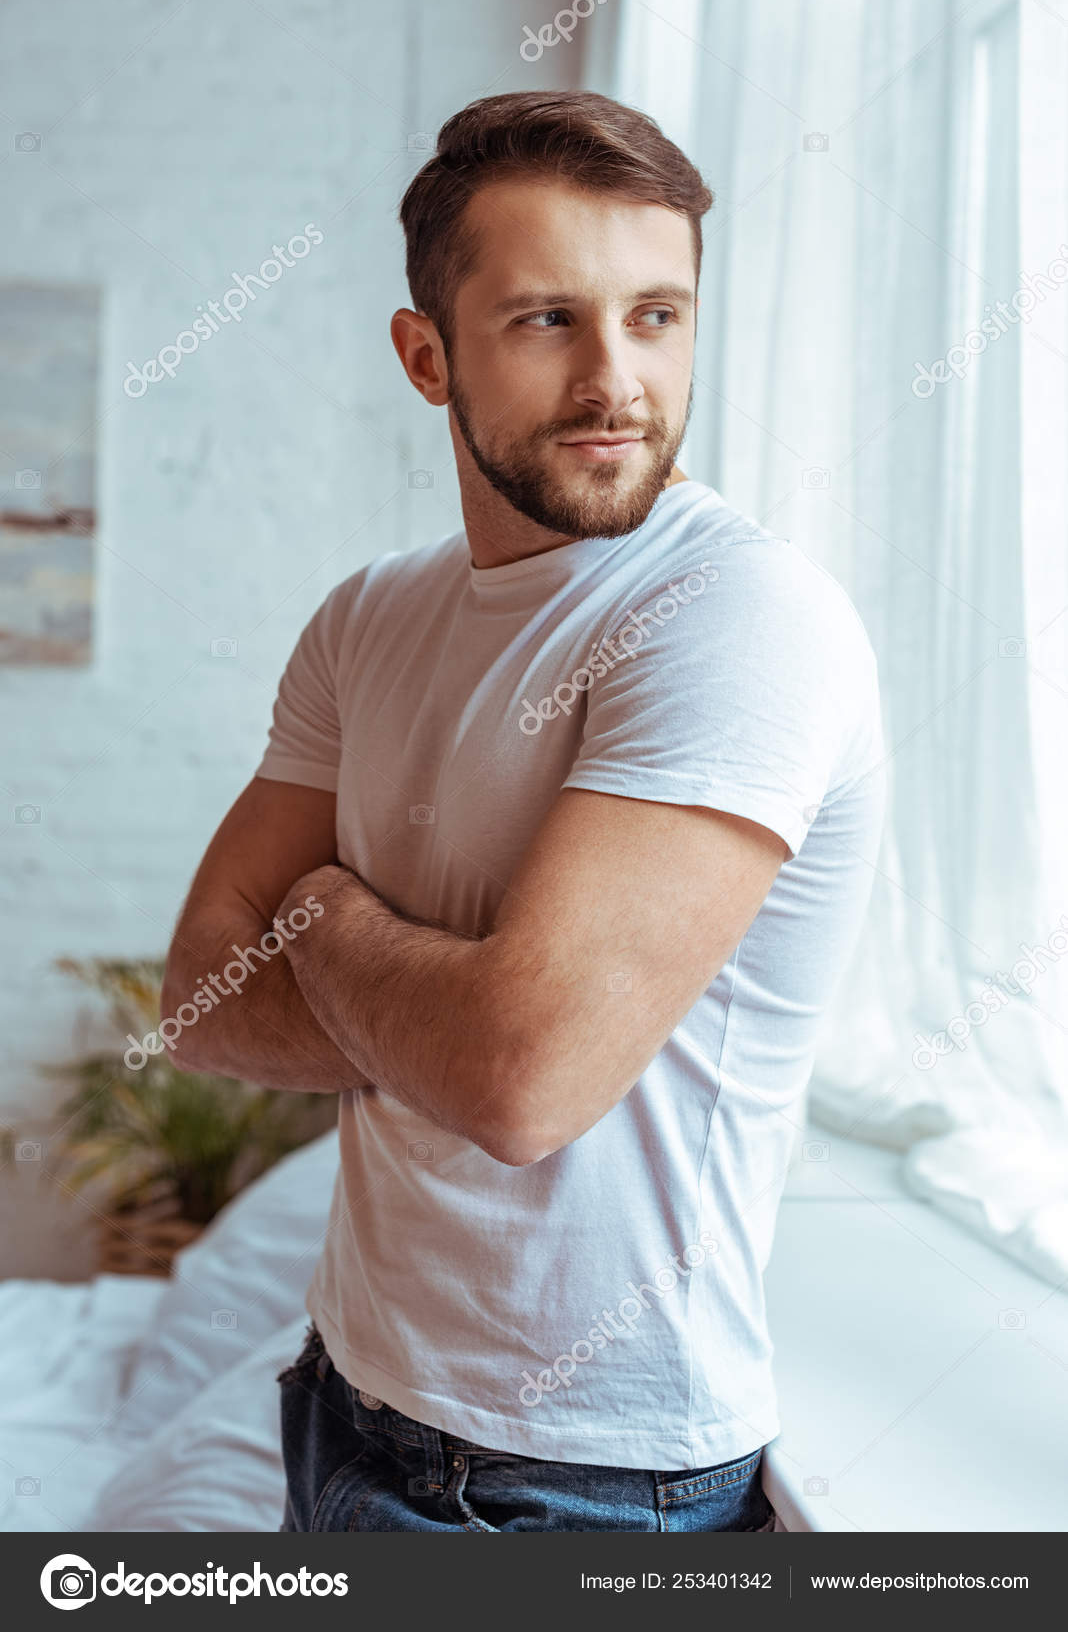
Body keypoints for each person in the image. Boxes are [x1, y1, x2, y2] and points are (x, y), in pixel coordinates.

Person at [161, 89, 885, 1534]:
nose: (618, 378)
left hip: (589, 1485)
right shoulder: (369, 618)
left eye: (659, 317)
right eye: (548, 320)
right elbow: (199, 998)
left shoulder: (734, 616)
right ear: (427, 356)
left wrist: (324, 912)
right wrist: (437, 1003)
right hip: (346, 1400)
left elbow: (520, 1081)